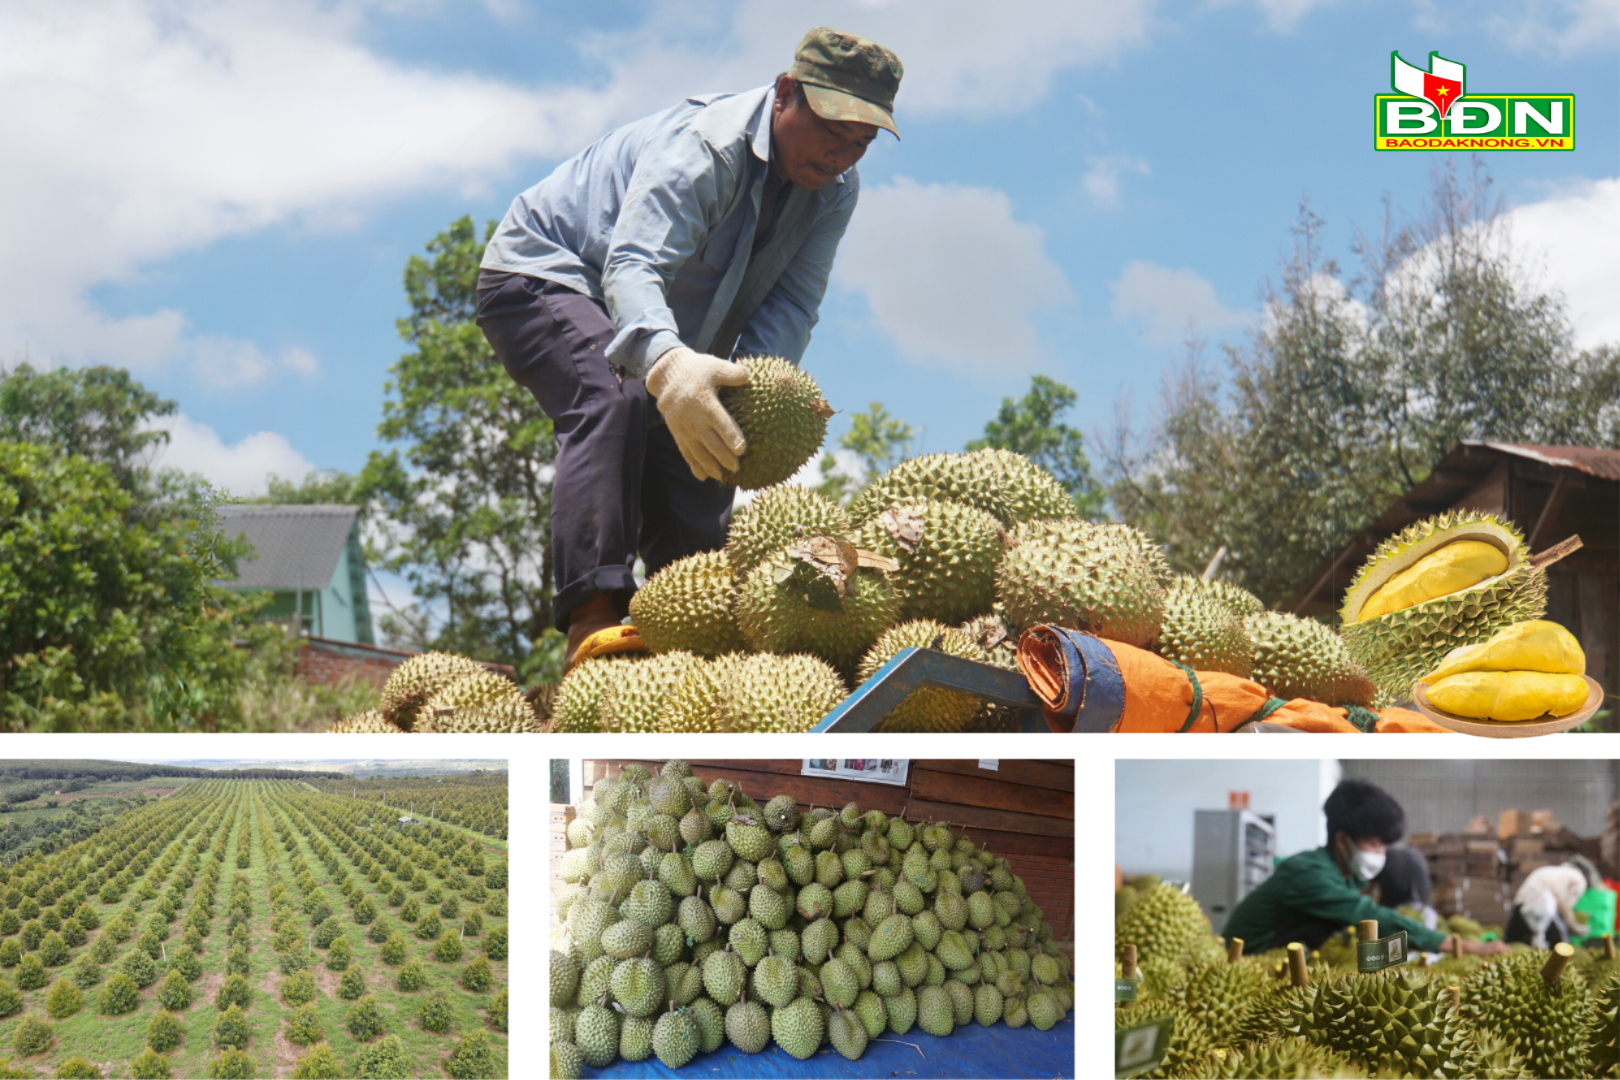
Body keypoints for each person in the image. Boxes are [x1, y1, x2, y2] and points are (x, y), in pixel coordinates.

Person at [474, 27, 903, 669]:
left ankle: (692, 646)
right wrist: (670, 364)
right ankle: (593, 623)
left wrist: (759, 401)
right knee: (612, 399)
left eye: (861, 143)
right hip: (546, 274)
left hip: (663, 330)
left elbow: (790, 306)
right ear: (786, 94)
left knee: (707, 458)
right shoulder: (709, 145)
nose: (843, 155)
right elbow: (632, 265)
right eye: (832, 131)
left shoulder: (835, 193)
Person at [1222, 779, 1509, 957]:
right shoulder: (1308, 873)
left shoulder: (1342, 875)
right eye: (1374, 845)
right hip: (1246, 961)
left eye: (1384, 846)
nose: (1380, 855)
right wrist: (1466, 947)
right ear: (1342, 840)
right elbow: (1368, 916)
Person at [1506, 857, 1597, 948]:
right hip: (1540, 903)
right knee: (1559, 943)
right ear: (1587, 877)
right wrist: (1575, 927)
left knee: (1511, 942)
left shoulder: (1557, 871)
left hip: (1521, 903)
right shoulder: (1579, 879)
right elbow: (1565, 906)